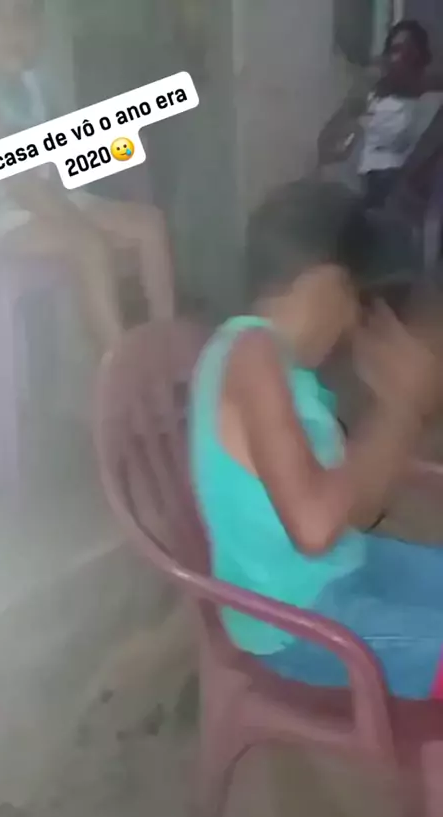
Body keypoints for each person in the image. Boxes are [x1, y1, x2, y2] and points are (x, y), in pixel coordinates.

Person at [189, 179, 443, 700]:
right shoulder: (252, 352)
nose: (352, 321)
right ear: (322, 282)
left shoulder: (293, 376)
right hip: (296, 617)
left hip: (343, 568)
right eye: (353, 295)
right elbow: (313, 526)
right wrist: (400, 408)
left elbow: (356, 512)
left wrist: (403, 413)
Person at [0, 0, 174, 352]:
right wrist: (78, 221)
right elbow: (16, 180)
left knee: (149, 225)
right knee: (89, 246)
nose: (14, 29)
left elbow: (63, 157)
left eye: (26, 15)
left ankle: (169, 352)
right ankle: (117, 364)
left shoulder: (36, 86)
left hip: (46, 201)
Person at [319, 19, 443, 210]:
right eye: (395, 50)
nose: (401, 58)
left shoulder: (432, 104)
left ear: (421, 57)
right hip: (353, 191)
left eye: (409, 51)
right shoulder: (372, 100)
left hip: (394, 197)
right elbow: (327, 142)